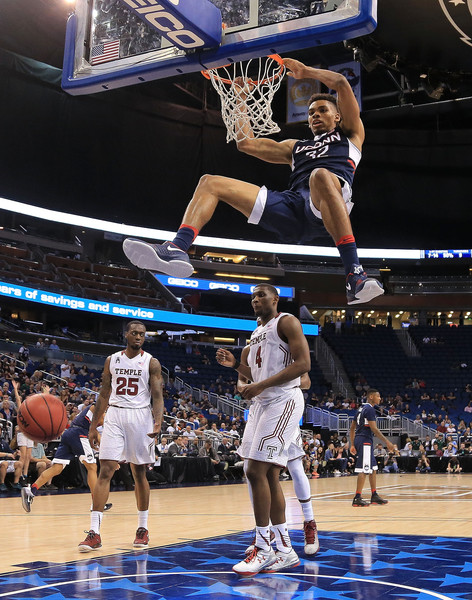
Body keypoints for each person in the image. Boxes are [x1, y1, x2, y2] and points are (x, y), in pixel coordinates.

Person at [122, 58, 383, 306]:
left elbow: (341, 83)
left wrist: (307, 72)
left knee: (320, 175)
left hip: (326, 208)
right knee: (210, 182)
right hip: (292, 208)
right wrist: (241, 100)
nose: (314, 115)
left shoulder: (351, 136)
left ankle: (354, 275)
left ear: (337, 116)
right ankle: (177, 247)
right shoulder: (296, 147)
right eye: (311, 111)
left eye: (322, 110)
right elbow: (246, 143)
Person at [216, 283, 310, 575]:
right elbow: (257, 375)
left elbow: (304, 364)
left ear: (275, 298)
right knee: (266, 473)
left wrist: (259, 385)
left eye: (261, 295)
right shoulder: (256, 333)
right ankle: (284, 550)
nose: (256, 300)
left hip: (283, 402)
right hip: (262, 403)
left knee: (255, 471)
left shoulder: (287, 321)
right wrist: (236, 368)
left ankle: (264, 547)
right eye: (253, 296)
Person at [77, 320, 164, 552]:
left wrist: (158, 421)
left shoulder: (151, 362)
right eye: (134, 333)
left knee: (139, 472)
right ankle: (94, 532)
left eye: (142, 334)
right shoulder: (112, 360)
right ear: (126, 334)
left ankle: (142, 528)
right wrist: (94, 426)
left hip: (140, 416)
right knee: (105, 470)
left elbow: (157, 395)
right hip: (115, 414)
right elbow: (104, 393)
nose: (138, 337)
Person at [21, 400, 112, 513]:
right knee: (92, 467)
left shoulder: (96, 414)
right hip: (78, 433)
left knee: (57, 468)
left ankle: (31, 490)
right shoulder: (97, 406)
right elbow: (101, 420)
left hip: (69, 434)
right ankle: (96, 504)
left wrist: (105, 450)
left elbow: (96, 433)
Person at [350, 388, 394, 507]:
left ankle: (374, 495)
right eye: (378, 396)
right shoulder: (369, 409)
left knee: (373, 468)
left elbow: (352, 427)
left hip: (362, 439)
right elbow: (374, 428)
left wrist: (353, 444)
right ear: (371, 397)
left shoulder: (361, 408)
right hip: (364, 440)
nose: (380, 398)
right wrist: (387, 442)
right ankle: (357, 497)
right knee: (364, 469)